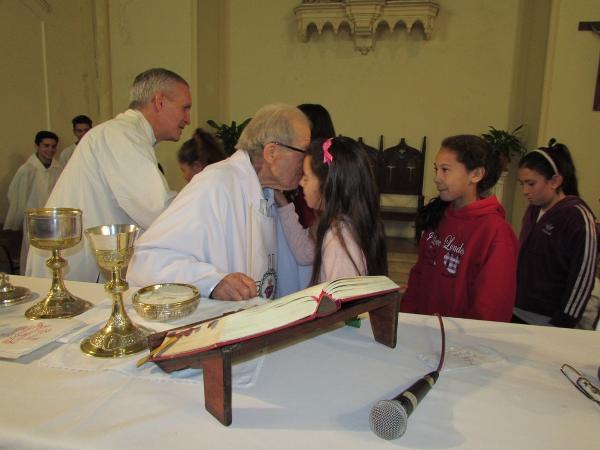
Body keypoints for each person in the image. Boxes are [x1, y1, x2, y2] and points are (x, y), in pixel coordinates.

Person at [127, 103, 311, 300]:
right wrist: (213, 282)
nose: (307, 161)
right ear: (271, 152)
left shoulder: (269, 193)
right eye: (303, 152)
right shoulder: (216, 184)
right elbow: (148, 260)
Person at [26, 68, 192, 282]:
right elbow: (157, 211)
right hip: (72, 270)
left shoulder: (125, 135)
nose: (187, 119)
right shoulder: (121, 135)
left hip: (85, 264)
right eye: (185, 108)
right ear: (159, 101)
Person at [400, 134, 518, 322]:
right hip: (423, 327)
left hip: (460, 336)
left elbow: (491, 307)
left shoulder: (495, 232)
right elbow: (419, 273)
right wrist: (406, 317)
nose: (437, 178)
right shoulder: (439, 215)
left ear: (476, 174)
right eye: (436, 169)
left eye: (445, 170)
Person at [275, 136, 387, 284]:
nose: (301, 183)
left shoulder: (339, 241)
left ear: (328, 184)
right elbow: (305, 253)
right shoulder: (349, 225)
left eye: (306, 177)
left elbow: (342, 297)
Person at [514, 139, 598, 328]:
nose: (525, 191)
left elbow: (582, 277)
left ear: (555, 181)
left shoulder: (577, 217)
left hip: (550, 320)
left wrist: (562, 323)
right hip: (518, 309)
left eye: (531, 183)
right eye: (522, 184)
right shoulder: (533, 210)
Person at [276, 103, 337, 296]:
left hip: (307, 285)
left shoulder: (315, 192)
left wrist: (283, 205)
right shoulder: (315, 182)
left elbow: (306, 253)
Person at [3, 131, 63, 274]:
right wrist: (18, 219)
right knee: (33, 254)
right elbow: (17, 196)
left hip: (53, 219)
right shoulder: (27, 170)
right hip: (34, 220)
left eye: (53, 146)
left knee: (53, 255)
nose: (50, 150)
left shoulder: (58, 168)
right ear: (37, 146)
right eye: (46, 146)